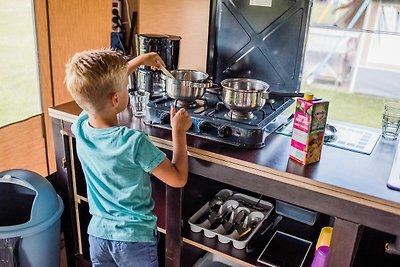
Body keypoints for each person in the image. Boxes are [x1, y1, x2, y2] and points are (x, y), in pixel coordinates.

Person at [65, 48, 192, 267]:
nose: (127, 87)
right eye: (125, 86)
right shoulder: (133, 142)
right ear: (116, 98)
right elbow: (178, 179)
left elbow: (98, 90)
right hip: (134, 240)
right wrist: (178, 132)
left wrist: (141, 60)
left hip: (98, 236)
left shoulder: (80, 127)